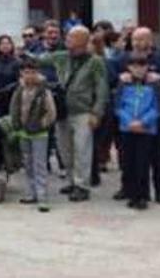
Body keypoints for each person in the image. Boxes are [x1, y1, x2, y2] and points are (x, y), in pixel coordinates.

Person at [38, 26, 109, 202]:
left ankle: (82, 185)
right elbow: (39, 61)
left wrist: (97, 113)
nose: (67, 39)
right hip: (62, 111)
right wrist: (24, 56)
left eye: (71, 37)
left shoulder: (95, 62)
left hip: (83, 112)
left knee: (82, 150)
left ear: (83, 40)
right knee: (65, 150)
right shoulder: (62, 56)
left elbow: (102, 89)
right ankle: (71, 181)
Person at [110, 27, 160, 204]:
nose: (138, 43)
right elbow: (110, 78)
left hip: (153, 118)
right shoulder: (123, 59)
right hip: (127, 120)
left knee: (157, 156)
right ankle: (128, 188)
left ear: (151, 41)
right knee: (127, 156)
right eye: (135, 40)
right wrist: (120, 77)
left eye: (142, 39)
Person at [113, 53, 160, 210]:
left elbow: (157, 108)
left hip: (146, 129)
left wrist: (143, 121)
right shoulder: (123, 83)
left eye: (142, 66)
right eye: (135, 66)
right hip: (127, 128)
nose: (139, 69)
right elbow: (118, 106)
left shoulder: (154, 84)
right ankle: (130, 192)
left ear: (147, 67)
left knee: (142, 162)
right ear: (129, 68)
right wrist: (129, 121)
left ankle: (142, 195)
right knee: (128, 162)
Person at [9, 58, 57, 213]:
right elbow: (14, 108)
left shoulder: (44, 91)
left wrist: (41, 124)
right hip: (23, 131)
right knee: (28, 163)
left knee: (40, 164)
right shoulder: (19, 90)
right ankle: (31, 193)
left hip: (39, 133)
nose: (29, 75)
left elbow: (51, 112)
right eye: (26, 72)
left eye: (32, 72)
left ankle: (42, 196)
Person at [0, 35, 21, 118]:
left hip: (12, 98)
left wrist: (2, 91)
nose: (5, 46)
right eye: (2, 44)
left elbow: (19, 81)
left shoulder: (17, 62)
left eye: (7, 43)